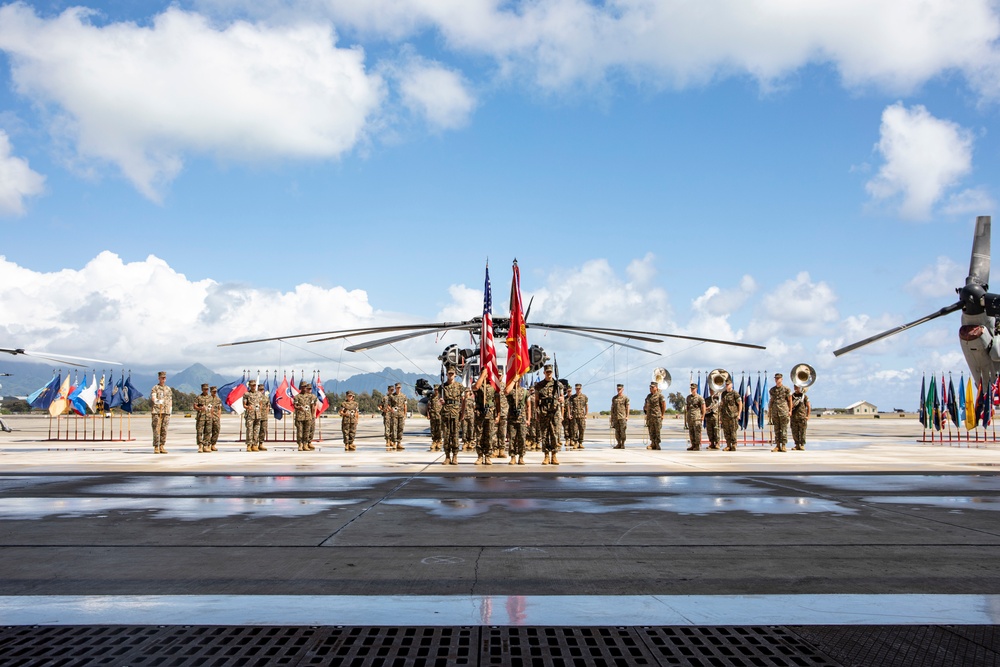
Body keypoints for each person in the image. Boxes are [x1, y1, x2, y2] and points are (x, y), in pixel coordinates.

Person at [533, 364, 564, 465]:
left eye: (550, 372)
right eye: (547, 372)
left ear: (552, 372)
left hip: (554, 412)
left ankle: (554, 455)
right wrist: (537, 413)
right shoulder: (539, 385)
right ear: (544, 373)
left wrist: (561, 399)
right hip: (544, 412)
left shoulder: (558, 384)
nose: (549, 373)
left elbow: (562, 397)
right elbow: (536, 400)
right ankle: (546, 455)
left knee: (554, 434)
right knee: (545, 434)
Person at [471, 368, 498, 465]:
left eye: (486, 373)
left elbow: (497, 401)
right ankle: (479, 456)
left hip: (489, 414)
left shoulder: (492, 386)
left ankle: (487, 456)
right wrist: (482, 375)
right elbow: (476, 387)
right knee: (479, 436)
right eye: (482, 373)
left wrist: (498, 415)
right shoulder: (477, 385)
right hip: (479, 414)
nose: (485, 375)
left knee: (489, 436)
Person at [439, 366, 464, 465]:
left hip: (456, 412)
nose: (450, 375)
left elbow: (463, 400)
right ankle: (447, 456)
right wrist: (441, 401)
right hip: (445, 412)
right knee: (446, 435)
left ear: (455, 374)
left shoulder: (459, 386)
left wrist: (463, 412)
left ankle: (455, 456)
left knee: (455, 435)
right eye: (449, 373)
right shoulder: (442, 387)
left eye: (452, 374)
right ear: (446, 374)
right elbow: (440, 399)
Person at [505, 380, 531, 465]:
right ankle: (513, 457)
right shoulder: (511, 391)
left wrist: (528, 419)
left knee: (522, 438)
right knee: (512, 438)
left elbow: (528, 406)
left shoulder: (525, 392)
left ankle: (521, 457)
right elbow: (506, 392)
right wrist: (513, 381)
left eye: (519, 380)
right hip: (512, 418)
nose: (517, 382)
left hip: (522, 418)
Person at [769, 372, 793, 452]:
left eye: (778, 378)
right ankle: (777, 445)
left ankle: (783, 445)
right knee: (777, 429)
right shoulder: (772, 390)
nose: (777, 380)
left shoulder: (786, 389)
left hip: (784, 411)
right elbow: (771, 401)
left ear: (781, 379)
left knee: (784, 429)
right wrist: (769, 411)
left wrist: (790, 410)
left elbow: (790, 400)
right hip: (775, 412)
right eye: (776, 378)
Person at [149, 371, 172, 454]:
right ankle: (156, 446)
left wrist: (170, 410)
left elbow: (170, 400)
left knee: (164, 429)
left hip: (166, 412)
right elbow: (153, 398)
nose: (163, 379)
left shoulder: (168, 389)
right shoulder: (155, 388)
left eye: (164, 378)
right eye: (162, 378)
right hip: (157, 411)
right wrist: (159, 401)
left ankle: (162, 445)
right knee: (156, 429)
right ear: (159, 378)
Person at [719, 378, 742, 452]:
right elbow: (722, 405)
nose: (727, 386)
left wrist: (739, 414)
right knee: (726, 431)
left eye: (728, 384)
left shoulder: (735, 393)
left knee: (733, 431)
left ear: (731, 385)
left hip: (733, 416)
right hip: (725, 416)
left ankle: (734, 445)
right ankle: (728, 445)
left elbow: (740, 403)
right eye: (726, 384)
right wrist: (720, 417)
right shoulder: (723, 394)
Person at [293, 381, 318, 451]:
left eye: (305, 387)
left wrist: (313, 415)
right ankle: (300, 445)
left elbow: (313, 405)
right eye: (303, 387)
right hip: (300, 417)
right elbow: (295, 405)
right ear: (300, 387)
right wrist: (299, 408)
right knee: (300, 432)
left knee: (307, 432)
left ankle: (305, 444)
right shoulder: (297, 397)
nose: (304, 388)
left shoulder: (310, 396)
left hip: (308, 416)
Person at [643, 381, 666, 450]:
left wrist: (662, 415)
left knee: (657, 430)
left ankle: (657, 444)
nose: (651, 388)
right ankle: (653, 443)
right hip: (649, 416)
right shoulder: (648, 396)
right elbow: (645, 404)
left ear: (656, 387)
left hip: (657, 416)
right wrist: (645, 408)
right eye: (650, 387)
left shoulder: (660, 395)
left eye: (652, 387)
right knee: (651, 430)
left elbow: (663, 405)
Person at [684, 382, 706, 451]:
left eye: (693, 388)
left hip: (697, 418)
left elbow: (703, 407)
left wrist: (703, 416)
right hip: (690, 417)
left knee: (697, 432)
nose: (692, 390)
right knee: (691, 432)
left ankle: (697, 445)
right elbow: (687, 407)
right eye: (691, 388)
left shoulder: (700, 398)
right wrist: (687, 417)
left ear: (696, 389)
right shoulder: (688, 397)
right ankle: (693, 445)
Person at [243, 380, 264, 452]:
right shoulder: (246, 394)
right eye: (252, 385)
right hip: (250, 415)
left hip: (257, 415)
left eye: (255, 385)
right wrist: (248, 407)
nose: (254, 386)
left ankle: (255, 445)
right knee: (249, 430)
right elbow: (244, 405)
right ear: (249, 386)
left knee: (256, 430)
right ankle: (249, 445)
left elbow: (261, 403)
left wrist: (259, 410)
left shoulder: (259, 394)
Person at [568, 383, 588, 449]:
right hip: (574, 416)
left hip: (582, 416)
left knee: (582, 429)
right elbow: (569, 406)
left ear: (581, 389)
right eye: (577, 389)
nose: (578, 390)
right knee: (575, 430)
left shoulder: (584, 397)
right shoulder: (572, 397)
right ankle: (575, 442)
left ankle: (581, 442)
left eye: (579, 389)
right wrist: (569, 414)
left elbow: (586, 406)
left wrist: (586, 414)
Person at [192, 383, 212, 452]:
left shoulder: (210, 398)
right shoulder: (198, 397)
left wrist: (211, 415)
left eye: (207, 389)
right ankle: (200, 445)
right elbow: (195, 406)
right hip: (201, 417)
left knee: (208, 432)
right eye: (205, 389)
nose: (206, 390)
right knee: (199, 431)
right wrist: (200, 409)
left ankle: (205, 446)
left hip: (208, 417)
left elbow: (212, 407)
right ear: (202, 389)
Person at [791, 386, 811, 450]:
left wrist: (808, 415)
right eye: (795, 386)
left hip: (802, 417)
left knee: (802, 431)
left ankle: (802, 445)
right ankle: (797, 445)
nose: (796, 388)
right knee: (794, 432)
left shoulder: (804, 396)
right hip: (794, 417)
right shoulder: (792, 396)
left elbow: (808, 406)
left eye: (797, 387)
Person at [610, 384, 629, 448]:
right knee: (617, 432)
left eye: (620, 389)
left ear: (623, 389)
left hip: (622, 417)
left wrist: (627, 416)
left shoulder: (625, 398)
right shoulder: (614, 398)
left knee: (622, 431)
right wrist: (611, 417)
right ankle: (618, 443)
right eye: (618, 389)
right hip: (616, 417)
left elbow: (627, 407)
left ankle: (623, 443)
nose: (619, 390)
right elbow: (612, 408)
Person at [391, 382, 407, 451]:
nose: (398, 389)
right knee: (394, 428)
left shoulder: (403, 396)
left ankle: (399, 443)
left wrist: (405, 414)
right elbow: (388, 405)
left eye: (399, 388)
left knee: (401, 428)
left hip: (401, 414)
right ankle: (394, 442)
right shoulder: (392, 396)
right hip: (394, 415)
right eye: (397, 388)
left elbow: (405, 405)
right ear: (395, 388)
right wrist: (391, 410)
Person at [427, 385, 442, 451]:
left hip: (439, 416)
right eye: (435, 390)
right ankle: (434, 441)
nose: (436, 391)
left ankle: (438, 442)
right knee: (433, 429)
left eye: (437, 390)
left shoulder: (441, 397)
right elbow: (428, 406)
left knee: (439, 429)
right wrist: (428, 414)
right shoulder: (431, 397)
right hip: (433, 415)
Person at [206, 386, 222, 452]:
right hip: (209, 417)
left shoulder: (218, 400)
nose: (214, 392)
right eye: (213, 391)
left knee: (217, 430)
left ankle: (213, 444)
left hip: (216, 417)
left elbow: (219, 408)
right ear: (211, 391)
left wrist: (219, 416)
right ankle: (208, 445)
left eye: (215, 391)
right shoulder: (208, 399)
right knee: (208, 431)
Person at [380, 385, 394, 451]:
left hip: (393, 415)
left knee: (393, 428)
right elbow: (380, 405)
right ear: (388, 390)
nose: (392, 391)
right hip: (387, 415)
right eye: (391, 390)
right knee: (387, 428)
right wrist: (383, 410)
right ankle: (387, 441)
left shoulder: (395, 397)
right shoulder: (385, 398)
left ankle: (391, 440)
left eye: (392, 390)